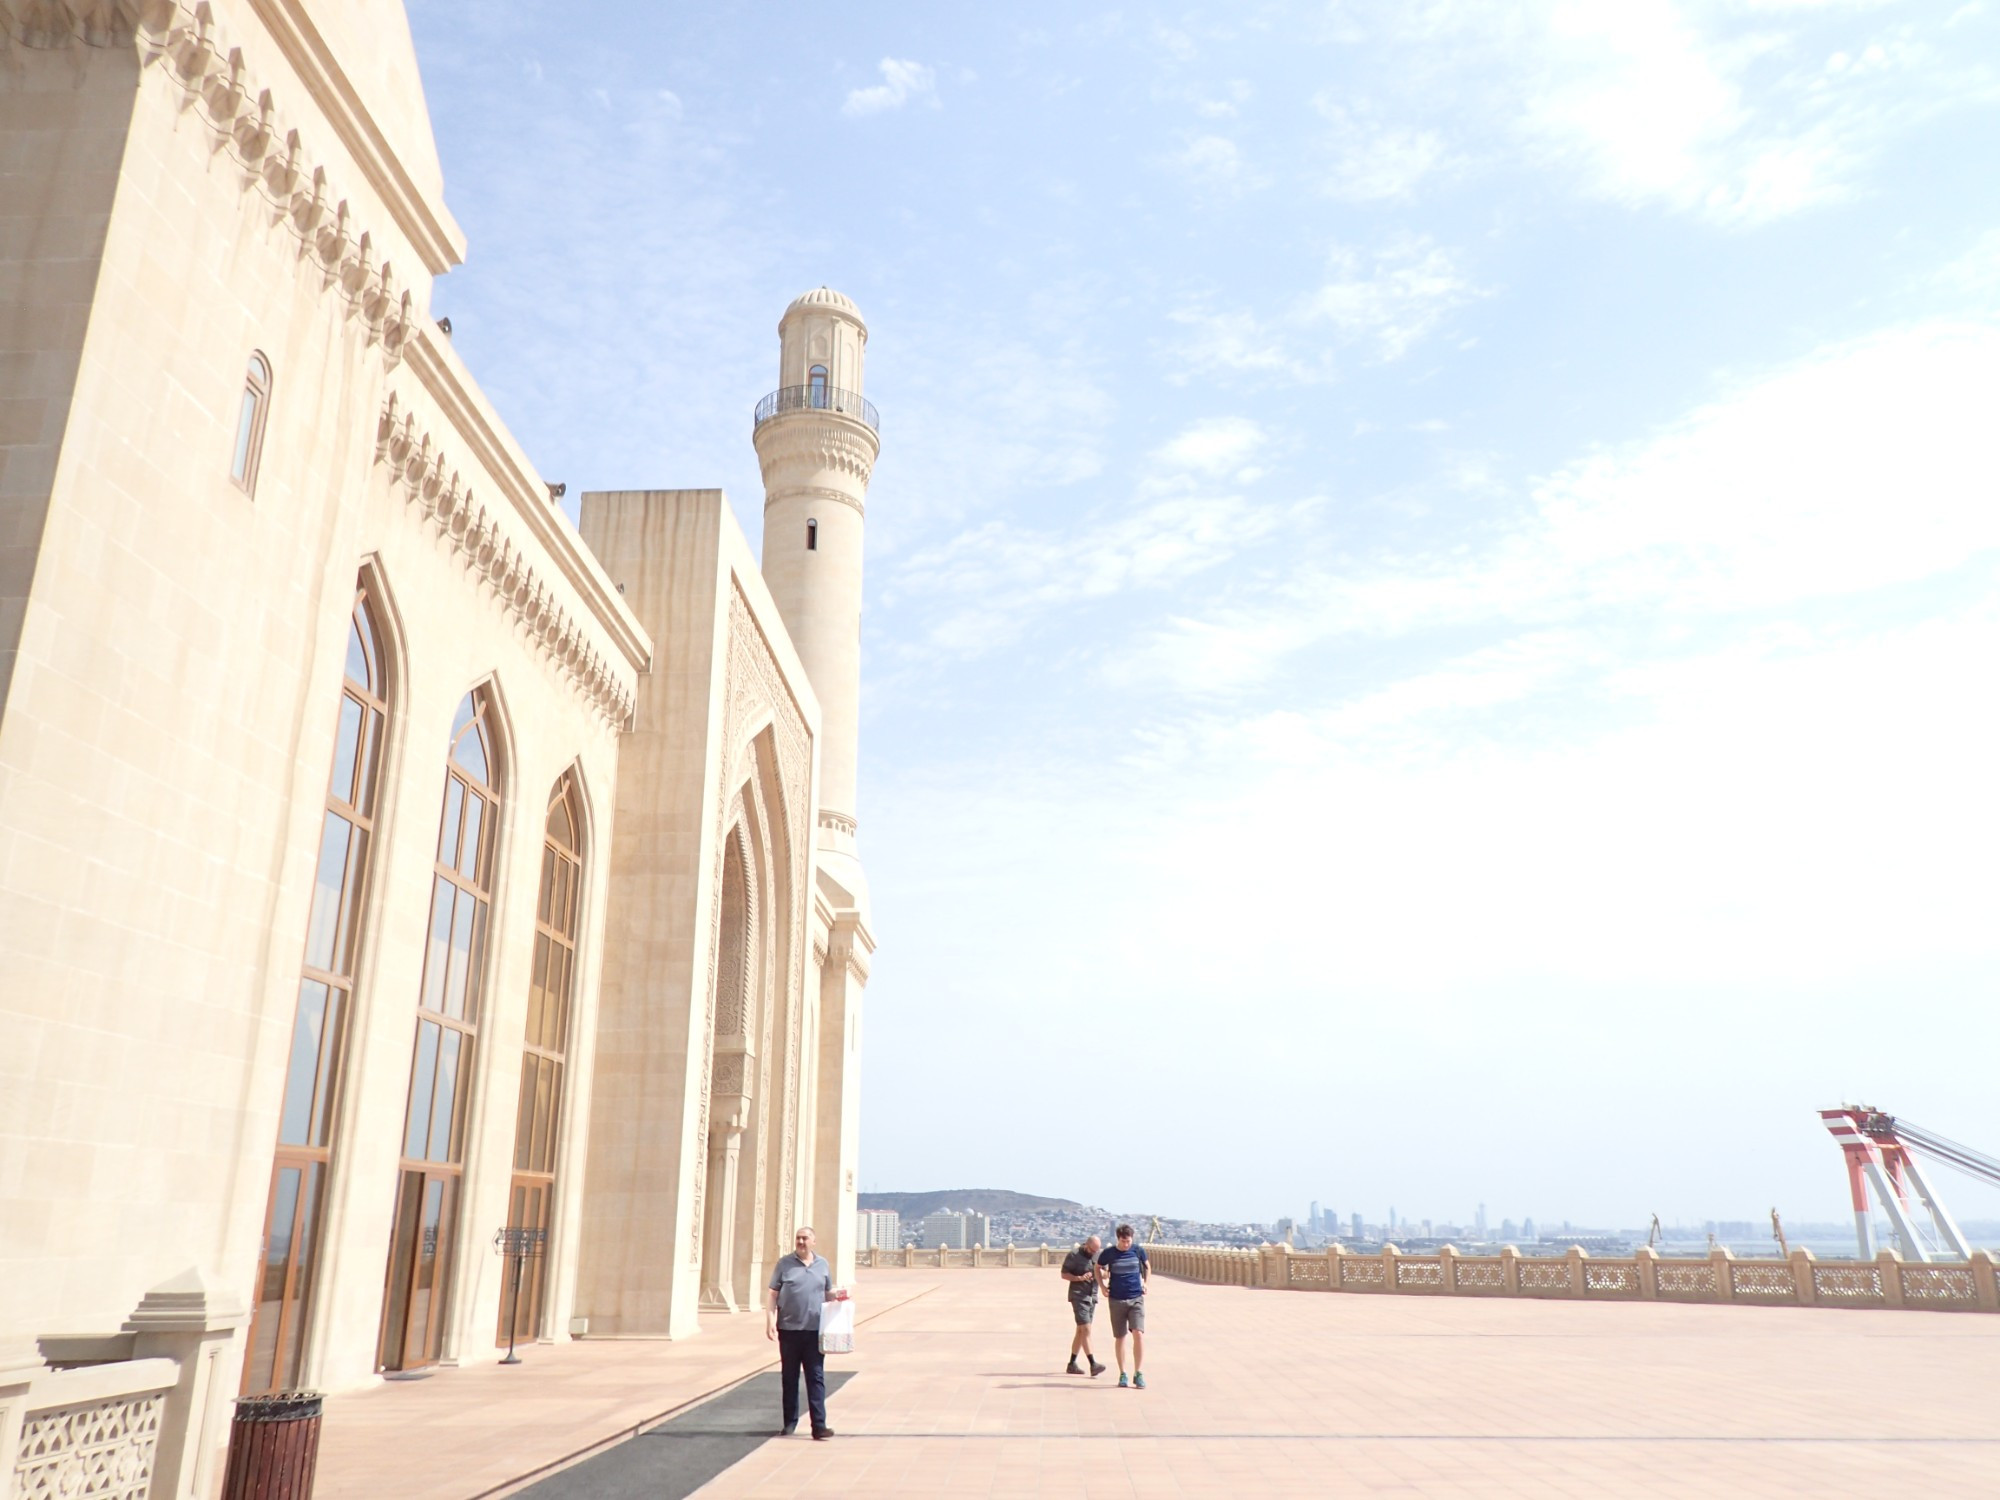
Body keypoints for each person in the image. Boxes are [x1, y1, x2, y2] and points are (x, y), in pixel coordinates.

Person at [766, 1226, 837, 1438]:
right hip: (789, 1330)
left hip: (814, 1330)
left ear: (813, 1241)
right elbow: (773, 1294)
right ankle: (789, 1422)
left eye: (805, 1238)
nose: (801, 1242)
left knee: (815, 1377)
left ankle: (819, 1425)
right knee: (790, 1377)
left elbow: (827, 1293)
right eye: (798, 1238)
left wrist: (840, 1296)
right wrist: (769, 1320)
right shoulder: (784, 1264)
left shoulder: (822, 1264)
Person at [1097, 1223, 1150, 1388]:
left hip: (1136, 1297)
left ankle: (1138, 1372)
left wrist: (1146, 1283)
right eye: (1123, 1241)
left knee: (1138, 1334)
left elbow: (1147, 1266)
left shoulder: (1138, 1250)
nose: (1126, 1244)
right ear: (1117, 1239)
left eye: (1128, 1241)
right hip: (1116, 1299)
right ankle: (1123, 1373)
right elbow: (1097, 1267)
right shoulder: (1109, 1253)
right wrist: (1102, 1286)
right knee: (1120, 1337)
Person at [1060, 1234, 1107, 1376]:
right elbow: (1064, 1274)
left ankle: (1072, 1364)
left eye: (1096, 1250)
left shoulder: (1098, 1255)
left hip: (1092, 1296)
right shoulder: (1074, 1255)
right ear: (1087, 1245)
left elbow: (1105, 1273)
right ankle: (1093, 1364)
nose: (1094, 1253)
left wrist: (1102, 1274)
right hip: (1078, 1295)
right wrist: (1078, 1278)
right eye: (1092, 1250)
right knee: (1086, 1329)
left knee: (1081, 1331)